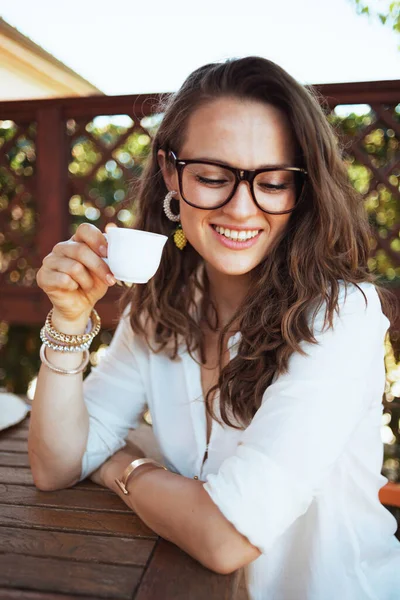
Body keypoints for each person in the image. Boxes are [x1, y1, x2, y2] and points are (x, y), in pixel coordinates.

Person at [29, 56, 400, 600]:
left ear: (302, 191)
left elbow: (226, 537)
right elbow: (56, 464)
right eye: (211, 177)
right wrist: (68, 317)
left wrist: (121, 467)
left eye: (272, 182)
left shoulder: (340, 316)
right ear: (171, 174)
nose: (242, 208)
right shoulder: (162, 306)